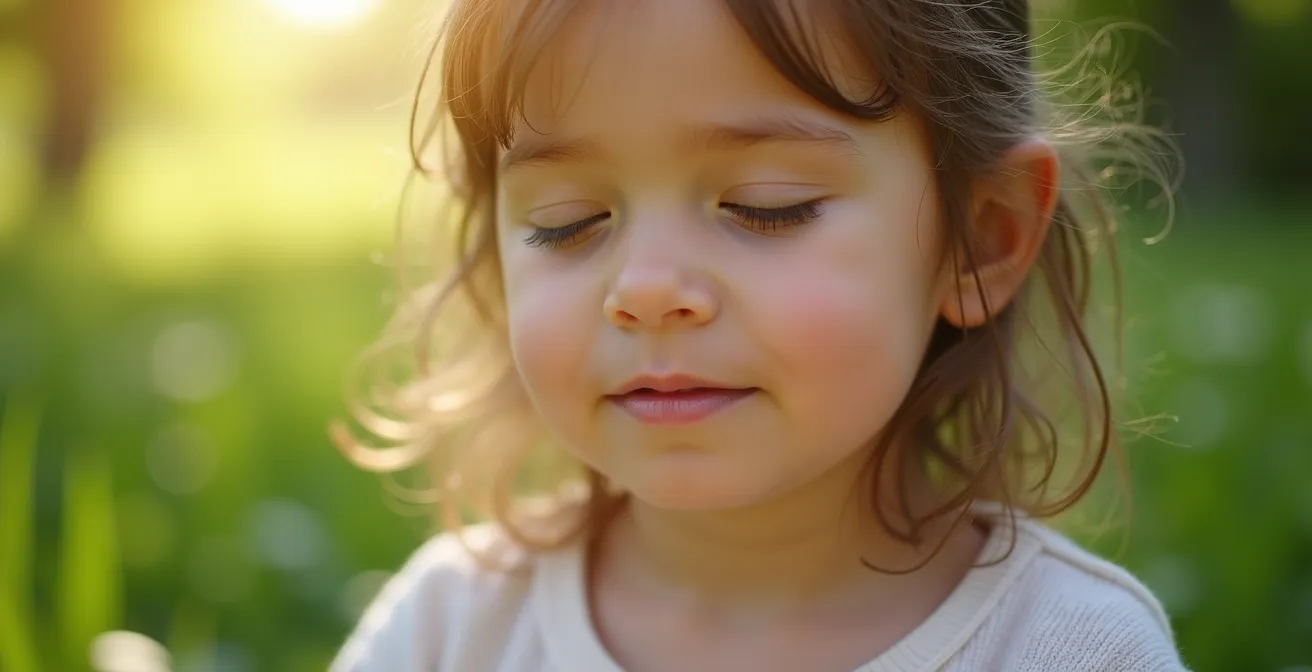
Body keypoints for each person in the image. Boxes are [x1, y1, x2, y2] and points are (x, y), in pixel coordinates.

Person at [330, 0, 1186, 669]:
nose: (647, 290)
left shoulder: (1073, 650)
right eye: (569, 221)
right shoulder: (450, 632)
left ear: (982, 236)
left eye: (765, 206)